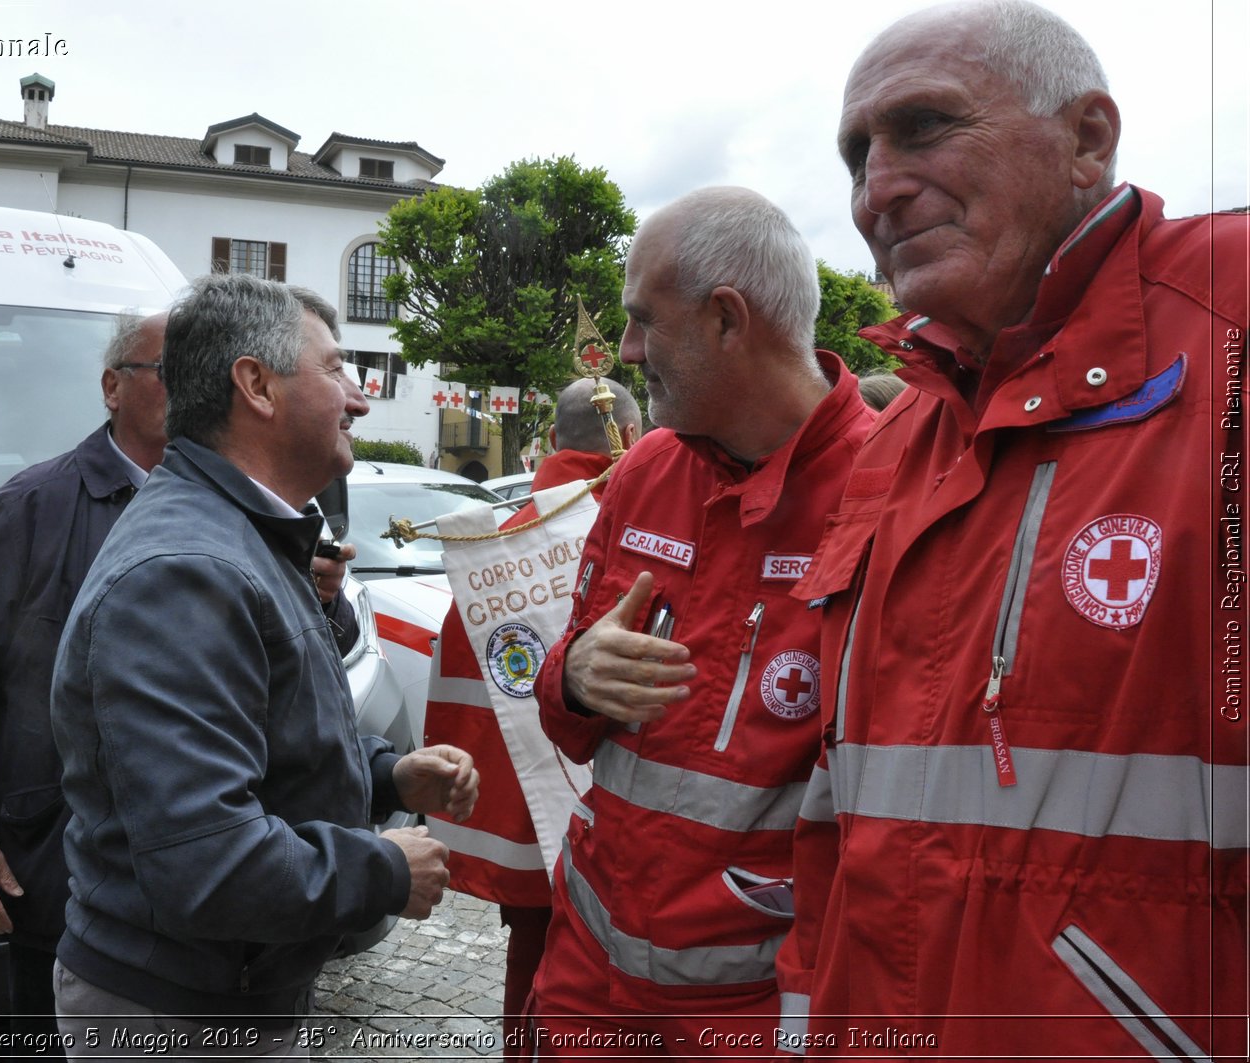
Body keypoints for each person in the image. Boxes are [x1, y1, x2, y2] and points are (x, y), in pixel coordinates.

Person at [774, 2, 1248, 1057]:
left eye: (926, 126)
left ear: (1087, 139)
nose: (875, 190)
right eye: (856, 154)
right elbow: (833, 826)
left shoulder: (1235, 327)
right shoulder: (898, 446)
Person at [0, 309, 363, 1049]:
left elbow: (292, 672)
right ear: (113, 387)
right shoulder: (33, 507)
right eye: (167, 372)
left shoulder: (259, 507)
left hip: (226, 899)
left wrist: (325, 607)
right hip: (64, 875)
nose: (190, 387)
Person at [48, 274, 479, 1058]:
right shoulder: (185, 568)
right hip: (179, 1016)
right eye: (335, 368)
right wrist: (381, 868)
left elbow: (264, 731)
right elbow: (206, 862)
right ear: (256, 385)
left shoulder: (240, 535)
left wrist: (386, 773)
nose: (359, 399)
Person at [527, 187, 874, 1053]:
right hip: (590, 972)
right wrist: (571, 675)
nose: (627, 352)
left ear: (728, 318)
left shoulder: (889, 491)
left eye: (645, 321)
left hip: (758, 1007)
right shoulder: (646, 468)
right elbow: (567, 715)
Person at [423, 376, 641, 1060]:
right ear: (630, 438)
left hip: (523, 827)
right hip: (617, 820)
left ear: (548, 442)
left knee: (531, 973)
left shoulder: (496, 546)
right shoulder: (636, 526)